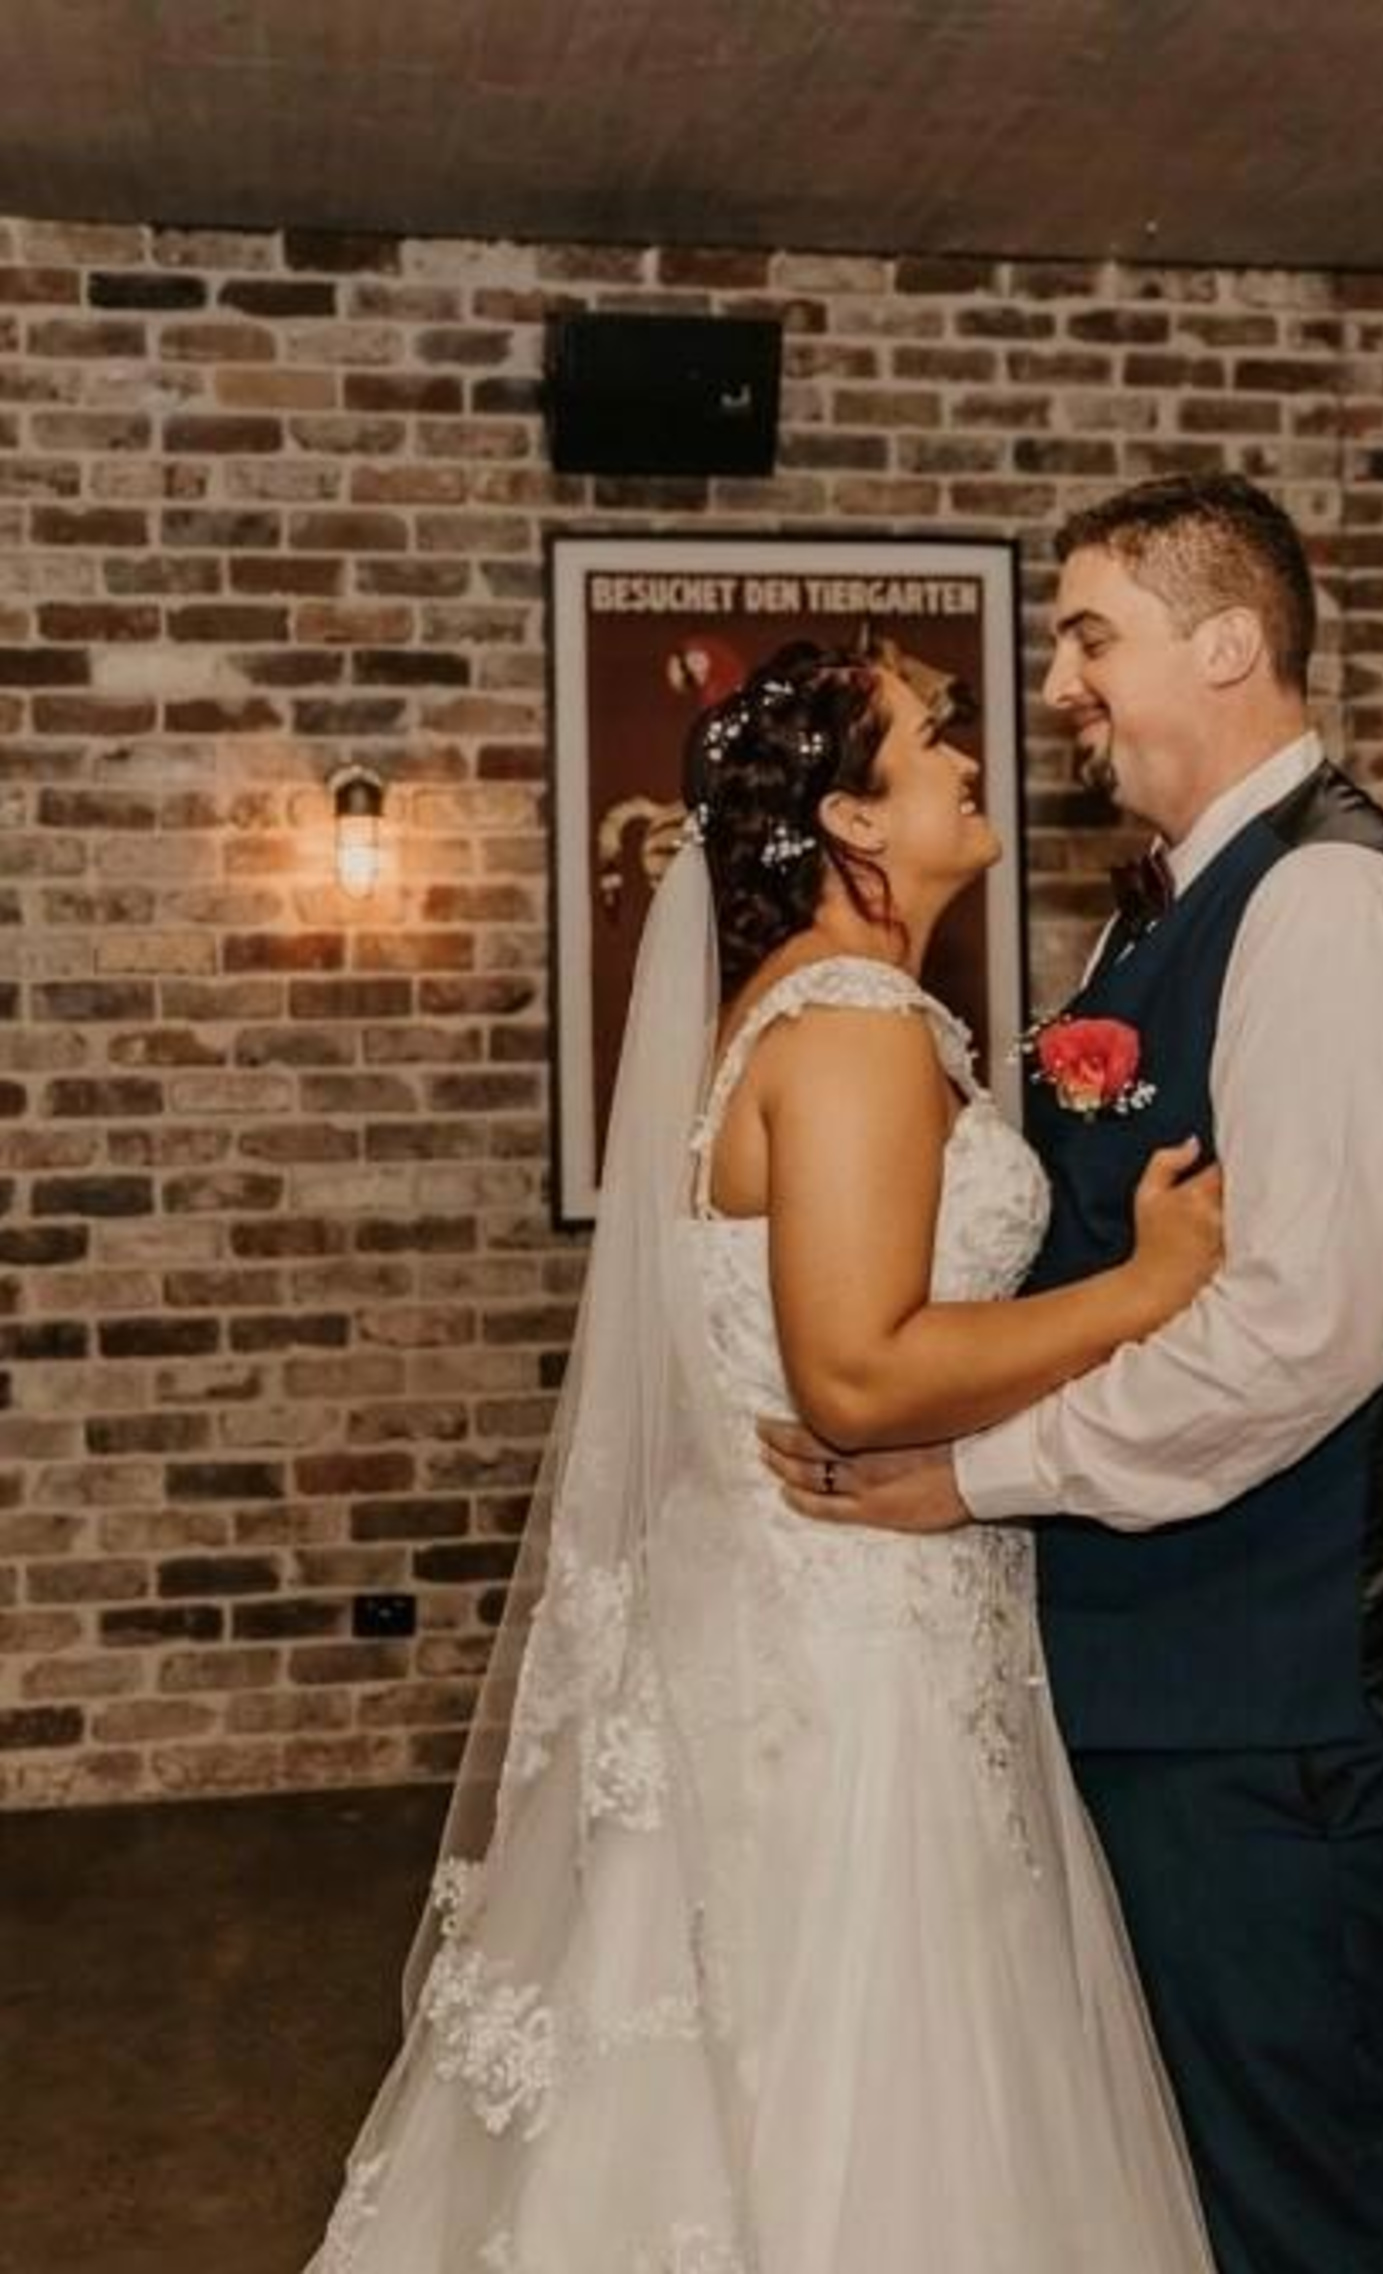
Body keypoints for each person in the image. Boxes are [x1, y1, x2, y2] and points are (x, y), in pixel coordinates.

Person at [302, 640, 1225, 2274]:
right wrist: (1143, 1290)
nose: (970, 760)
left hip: (822, 1609)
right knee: (865, 2090)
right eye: (932, 740)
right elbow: (856, 1374)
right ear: (854, 819)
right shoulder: (853, 1026)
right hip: (848, 1655)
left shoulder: (809, 1012)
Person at [763, 475, 1383, 2274]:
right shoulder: (1169, 915)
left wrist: (967, 1477)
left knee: (1326, 2199)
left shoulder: (1331, 913)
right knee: (1203, 2187)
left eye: (1090, 637)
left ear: (1230, 644)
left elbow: (1292, 1341)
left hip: (1296, 1703)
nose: (1056, 685)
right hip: (1184, 1686)